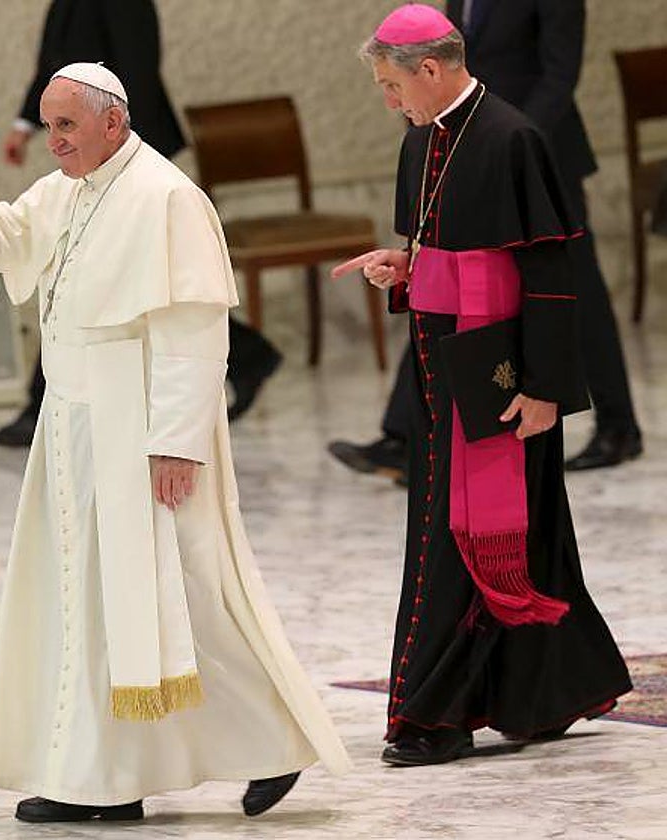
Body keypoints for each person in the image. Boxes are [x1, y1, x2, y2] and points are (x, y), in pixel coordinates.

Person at [0, 64, 350, 822]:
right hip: (75, 421)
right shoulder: (65, 191)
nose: (55, 142)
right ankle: (102, 779)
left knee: (184, 599)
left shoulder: (167, 196)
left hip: (142, 429)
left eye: (68, 126)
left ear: (114, 121)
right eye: (48, 126)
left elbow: (195, 332)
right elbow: (0, 244)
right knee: (87, 603)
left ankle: (277, 745)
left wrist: (175, 443)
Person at [336, 5, 630, 767]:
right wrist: (404, 270)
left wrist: (545, 390)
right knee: (515, 542)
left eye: (390, 84)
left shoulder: (513, 137)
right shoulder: (423, 141)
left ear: (430, 69)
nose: (388, 99)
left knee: (476, 542)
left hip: (503, 382)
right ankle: (550, 692)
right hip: (444, 374)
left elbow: (548, 276)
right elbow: (441, 252)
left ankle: (439, 716)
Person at [329, 0, 642, 480]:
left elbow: (559, 75)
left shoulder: (513, 140)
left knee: (575, 290)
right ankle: (405, 432)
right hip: (472, 153)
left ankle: (618, 426)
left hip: (537, 159)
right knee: (443, 282)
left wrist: (508, 146)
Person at [0, 0, 279, 448]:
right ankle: (251, 354)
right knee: (78, 276)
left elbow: (136, 70)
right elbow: (57, 68)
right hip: (101, 156)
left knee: (123, 281)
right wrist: (25, 124)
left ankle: (39, 403)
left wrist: (122, 156)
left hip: (128, 157)